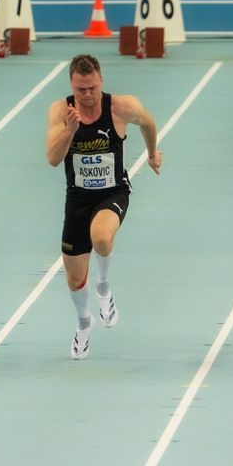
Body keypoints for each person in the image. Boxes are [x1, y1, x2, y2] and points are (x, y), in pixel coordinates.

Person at [46, 54, 160, 360]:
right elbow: (53, 158)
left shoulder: (121, 107)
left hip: (113, 192)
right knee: (72, 277)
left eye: (92, 88)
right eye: (80, 89)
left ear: (101, 81)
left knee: (102, 237)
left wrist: (151, 153)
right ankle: (84, 323)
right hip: (78, 199)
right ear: (72, 84)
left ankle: (104, 288)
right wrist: (69, 131)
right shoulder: (61, 111)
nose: (86, 95)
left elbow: (147, 122)